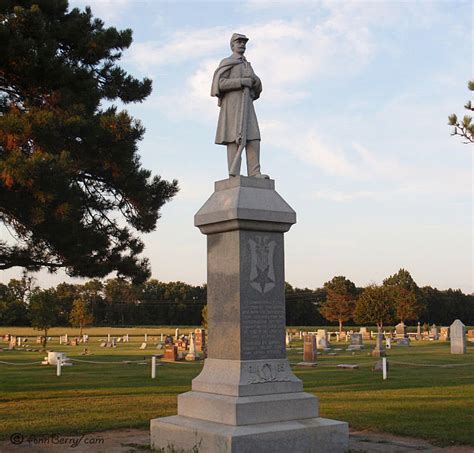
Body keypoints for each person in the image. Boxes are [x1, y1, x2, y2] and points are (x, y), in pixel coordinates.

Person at [211, 33, 269, 178]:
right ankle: (234, 173)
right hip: (232, 106)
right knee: (233, 138)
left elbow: (257, 86)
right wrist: (241, 81)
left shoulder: (247, 65)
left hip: (247, 106)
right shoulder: (227, 62)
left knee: (253, 137)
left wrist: (254, 80)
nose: (242, 44)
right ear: (232, 45)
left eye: (244, 42)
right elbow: (220, 84)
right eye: (239, 42)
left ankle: (255, 172)